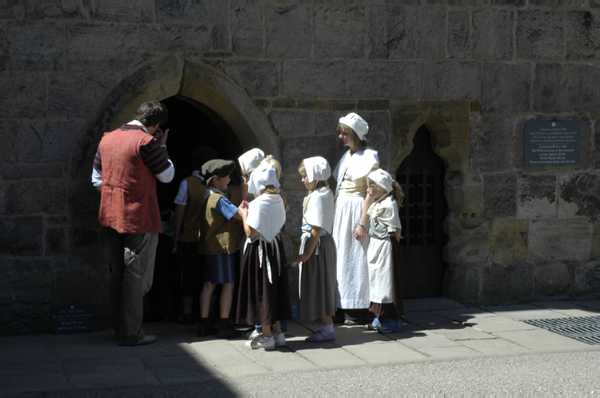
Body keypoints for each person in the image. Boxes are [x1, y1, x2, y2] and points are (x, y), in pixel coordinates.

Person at [91, 100, 174, 346]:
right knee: (135, 277)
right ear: (156, 124)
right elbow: (167, 175)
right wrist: (164, 146)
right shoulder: (146, 142)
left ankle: (119, 329)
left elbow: (97, 178)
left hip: (111, 214)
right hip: (139, 217)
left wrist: (115, 196)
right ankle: (131, 333)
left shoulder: (107, 138)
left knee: (118, 273)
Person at [237, 164, 292, 351]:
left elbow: (250, 233)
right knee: (274, 287)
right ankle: (278, 333)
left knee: (263, 289)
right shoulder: (278, 199)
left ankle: (266, 335)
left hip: (260, 250)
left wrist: (244, 214)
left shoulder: (258, 203)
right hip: (275, 249)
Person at [332, 113, 379, 320]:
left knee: (356, 257)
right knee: (341, 257)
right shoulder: (346, 156)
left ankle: (358, 308)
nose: (341, 137)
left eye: (345, 133)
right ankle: (341, 305)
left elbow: (371, 191)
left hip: (357, 210)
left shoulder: (369, 157)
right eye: (340, 132)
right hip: (342, 210)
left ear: (355, 135)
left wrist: (363, 222)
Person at [197, 159, 243, 338]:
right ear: (215, 180)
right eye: (226, 178)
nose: (230, 180)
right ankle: (224, 324)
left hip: (210, 248)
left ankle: (204, 323)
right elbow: (238, 216)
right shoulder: (219, 199)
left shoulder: (207, 195)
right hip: (221, 248)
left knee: (209, 284)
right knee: (228, 284)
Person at [172, 147, 216, 325]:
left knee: (188, 275)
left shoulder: (187, 183)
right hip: (209, 239)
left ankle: (188, 312)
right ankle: (209, 312)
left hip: (189, 238)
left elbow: (179, 212)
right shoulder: (215, 184)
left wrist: (176, 237)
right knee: (209, 276)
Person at [296, 157, 337, 342]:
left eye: (305, 176)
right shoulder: (321, 193)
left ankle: (328, 328)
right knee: (319, 284)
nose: (303, 180)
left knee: (320, 284)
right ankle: (326, 326)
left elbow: (317, 228)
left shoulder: (320, 196)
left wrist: (306, 253)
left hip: (317, 246)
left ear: (315, 175)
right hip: (318, 245)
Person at [364, 169, 405, 333]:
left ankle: (392, 320)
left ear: (382, 188)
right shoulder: (378, 203)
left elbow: (396, 230)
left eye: (371, 187)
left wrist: (392, 247)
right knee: (377, 283)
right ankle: (379, 317)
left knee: (387, 284)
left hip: (385, 247)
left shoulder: (389, 204)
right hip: (376, 245)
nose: (368, 191)